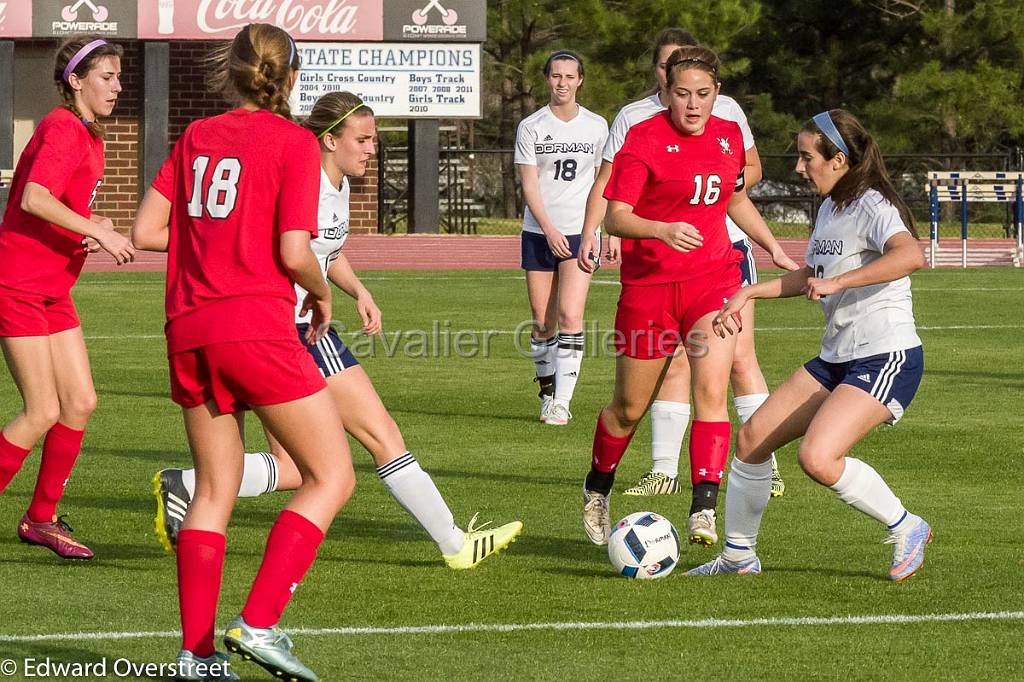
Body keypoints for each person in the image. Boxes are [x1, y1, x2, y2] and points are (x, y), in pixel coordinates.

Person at [152, 90, 523, 571]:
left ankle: (186, 483)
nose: (372, 149)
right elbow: (294, 251)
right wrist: (319, 292)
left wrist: (357, 290)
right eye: (363, 139)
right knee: (381, 436)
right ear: (329, 140)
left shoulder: (338, 184)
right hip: (293, 330)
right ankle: (454, 544)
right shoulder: (304, 177)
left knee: (291, 467)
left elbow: (326, 250)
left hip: (291, 326)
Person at [132, 24, 356, 682]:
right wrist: (321, 293)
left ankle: (195, 656)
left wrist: (212, 244)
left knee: (215, 491)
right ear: (291, 77)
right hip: (253, 326)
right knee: (332, 475)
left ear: (228, 72)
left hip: (189, 328)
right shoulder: (293, 143)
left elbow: (147, 231)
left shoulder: (196, 138)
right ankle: (258, 624)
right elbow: (293, 253)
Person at [685, 109, 931, 581]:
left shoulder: (875, 204)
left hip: (886, 355)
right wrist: (750, 291)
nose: (799, 167)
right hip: (837, 357)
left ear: (838, 158)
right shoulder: (830, 207)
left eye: (806, 157)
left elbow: (910, 255)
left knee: (817, 458)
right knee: (753, 438)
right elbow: (813, 277)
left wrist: (842, 281)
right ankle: (738, 557)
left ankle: (907, 526)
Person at [578, 29, 797, 547]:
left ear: (716, 92)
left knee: (710, 392)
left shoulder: (726, 136)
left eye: (703, 93)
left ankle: (704, 507)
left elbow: (733, 200)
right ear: (667, 91)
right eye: (682, 93)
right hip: (649, 289)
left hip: (713, 282)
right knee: (628, 407)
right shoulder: (643, 138)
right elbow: (617, 217)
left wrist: (773, 247)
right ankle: (597, 486)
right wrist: (661, 229)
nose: (693, 104)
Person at [0, 35, 135, 561]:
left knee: (79, 403)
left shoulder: (87, 133)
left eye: (120, 78)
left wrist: (89, 223)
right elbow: (33, 197)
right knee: (40, 410)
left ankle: (41, 519)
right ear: (75, 81)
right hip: (19, 283)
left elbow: (57, 202)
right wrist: (98, 231)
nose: (117, 87)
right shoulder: (62, 125)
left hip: (54, 286)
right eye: (107, 77)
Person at [515, 51, 609, 426]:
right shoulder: (531, 126)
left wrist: (601, 231)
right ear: (547, 79)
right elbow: (529, 184)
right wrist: (549, 230)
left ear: (580, 80)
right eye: (556, 76)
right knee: (542, 322)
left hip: (582, 232)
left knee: (571, 314)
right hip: (540, 232)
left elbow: (604, 183)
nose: (562, 83)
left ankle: (563, 403)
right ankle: (547, 392)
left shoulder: (598, 126)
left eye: (570, 76)